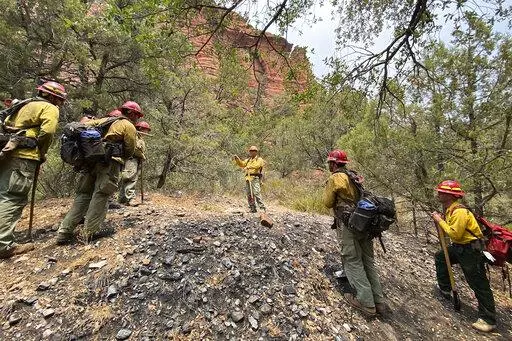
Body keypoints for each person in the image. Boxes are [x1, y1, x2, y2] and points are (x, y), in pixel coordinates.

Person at [56, 101, 141, 244]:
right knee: (101, 194)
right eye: (137, 115)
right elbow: (130, 148)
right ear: (132, 113)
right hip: (110, 163)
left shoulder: (104, 121)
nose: (137, 118)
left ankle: (64, 232)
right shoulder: (128, 126)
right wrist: (121, 159)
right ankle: (90, 232)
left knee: (83, 195)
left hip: (90, 162)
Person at [0, 81, 66, 259]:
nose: (59, 103)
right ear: (52, 96)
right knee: (13, 197)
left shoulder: (22, 104)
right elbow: (48, 131)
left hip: (6, 153)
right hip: (24, 157)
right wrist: (41, 152)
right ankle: (3, 244)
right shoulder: (49, 108)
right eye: (59, 99)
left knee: (3, 194)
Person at [323, 149, 388, 316]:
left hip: (348, 224)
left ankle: (366, 303)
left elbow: (328, 202)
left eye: (330, 162)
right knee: (368, 261)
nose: (329, 165)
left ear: (334, 163)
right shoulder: (354, 175)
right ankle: (379, 302)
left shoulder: (336, 177)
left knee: (352, 260)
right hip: (364, 223)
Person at [431, 180, 496, 332]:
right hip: (460, 248)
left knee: (478, 283)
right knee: (441, 257)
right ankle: (446, 289)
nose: (438, 194)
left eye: (441, 192)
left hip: (470, 250)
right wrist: (441, 219)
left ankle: (488, 319)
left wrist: (440, 221)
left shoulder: (459, 211)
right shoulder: (451, 209)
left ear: (449, 195)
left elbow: (456, 234)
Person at [118, 121, 150, 206]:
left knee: (128, 178)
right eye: (146, 130)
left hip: (135, 160)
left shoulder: (140, 138)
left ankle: (122, 199)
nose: (146, 132)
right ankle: (130, 198)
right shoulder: (135, 136)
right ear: (140, 128)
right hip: (131, 159)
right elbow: (135, 149)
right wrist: (142, 156)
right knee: (130, 178)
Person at [233, 145, 266, 213]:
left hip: (255, 178)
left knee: (256, 193)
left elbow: (258, 165)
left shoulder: (259, 159)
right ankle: (252, 208)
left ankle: (262, 208)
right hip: (248, 178)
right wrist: (237, 159)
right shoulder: (248, 160)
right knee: (249, 194)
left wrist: (248, 167)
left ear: (256, 152)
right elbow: (242, 164)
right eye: (251, 151)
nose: (252, 152)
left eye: (253, 151)